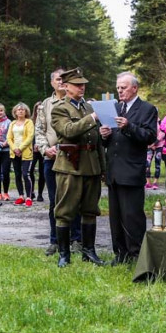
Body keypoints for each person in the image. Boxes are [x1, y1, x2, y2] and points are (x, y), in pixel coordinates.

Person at [99, 72, 159, 264]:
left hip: (132, 169)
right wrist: (104, 134)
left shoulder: (147, 109)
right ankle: (120, 253)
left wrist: (129, 126)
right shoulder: (115, 107)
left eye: (123, 87)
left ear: (135, 88)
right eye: (118, 87)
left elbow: (149, 137)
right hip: (114, 170)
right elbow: (108, 143)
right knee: (115, 216)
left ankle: (136, 253)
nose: (120, 90)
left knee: (132, 215)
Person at [51, 68, 107, 267]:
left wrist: (103, 167)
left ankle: (89, 252)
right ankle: (64, 254)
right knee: (65, 211)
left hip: (90, 165)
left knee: (91, 210)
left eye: (83, 84)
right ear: (66, 87)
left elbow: (97, 141)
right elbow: (68, 130)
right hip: (70, 166)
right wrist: (92, 119)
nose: (82, 87)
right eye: (77, 84)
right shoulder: (60, 108)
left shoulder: (88, 107)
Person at [35, 69, 81, 254]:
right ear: (52, 83)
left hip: (73, 158)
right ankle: (55, 241)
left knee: (74, 199)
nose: (61, 81)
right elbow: (39, 131)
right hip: (51, 159)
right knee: (55, 201)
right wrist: (45, 149)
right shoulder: (45, 105)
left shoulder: (77, 103)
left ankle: (76, 240)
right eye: (57, 79)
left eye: (64, 79)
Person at [8, 102, 35, 206]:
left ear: (26, 112)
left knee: (25, 174)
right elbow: (9, 138)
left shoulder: (29, 122)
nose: (20, 111)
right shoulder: (12, 123)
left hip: (26, 152)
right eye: (18, 109)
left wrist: (20, 148)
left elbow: (30, 137)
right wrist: (15, 149)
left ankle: (29, 197)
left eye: (22, 109)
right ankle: (21, 196)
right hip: (14, 153)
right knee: (17, 175)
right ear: (15, 112)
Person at [30, 100, 46, 202]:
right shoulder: (31, 121)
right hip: (32, 149)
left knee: (42, 172)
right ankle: (31, 191)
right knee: (30, 170)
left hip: (43, 149)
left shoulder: (46, 120)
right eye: (37, 108)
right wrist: (33, 145)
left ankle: (40, 193)